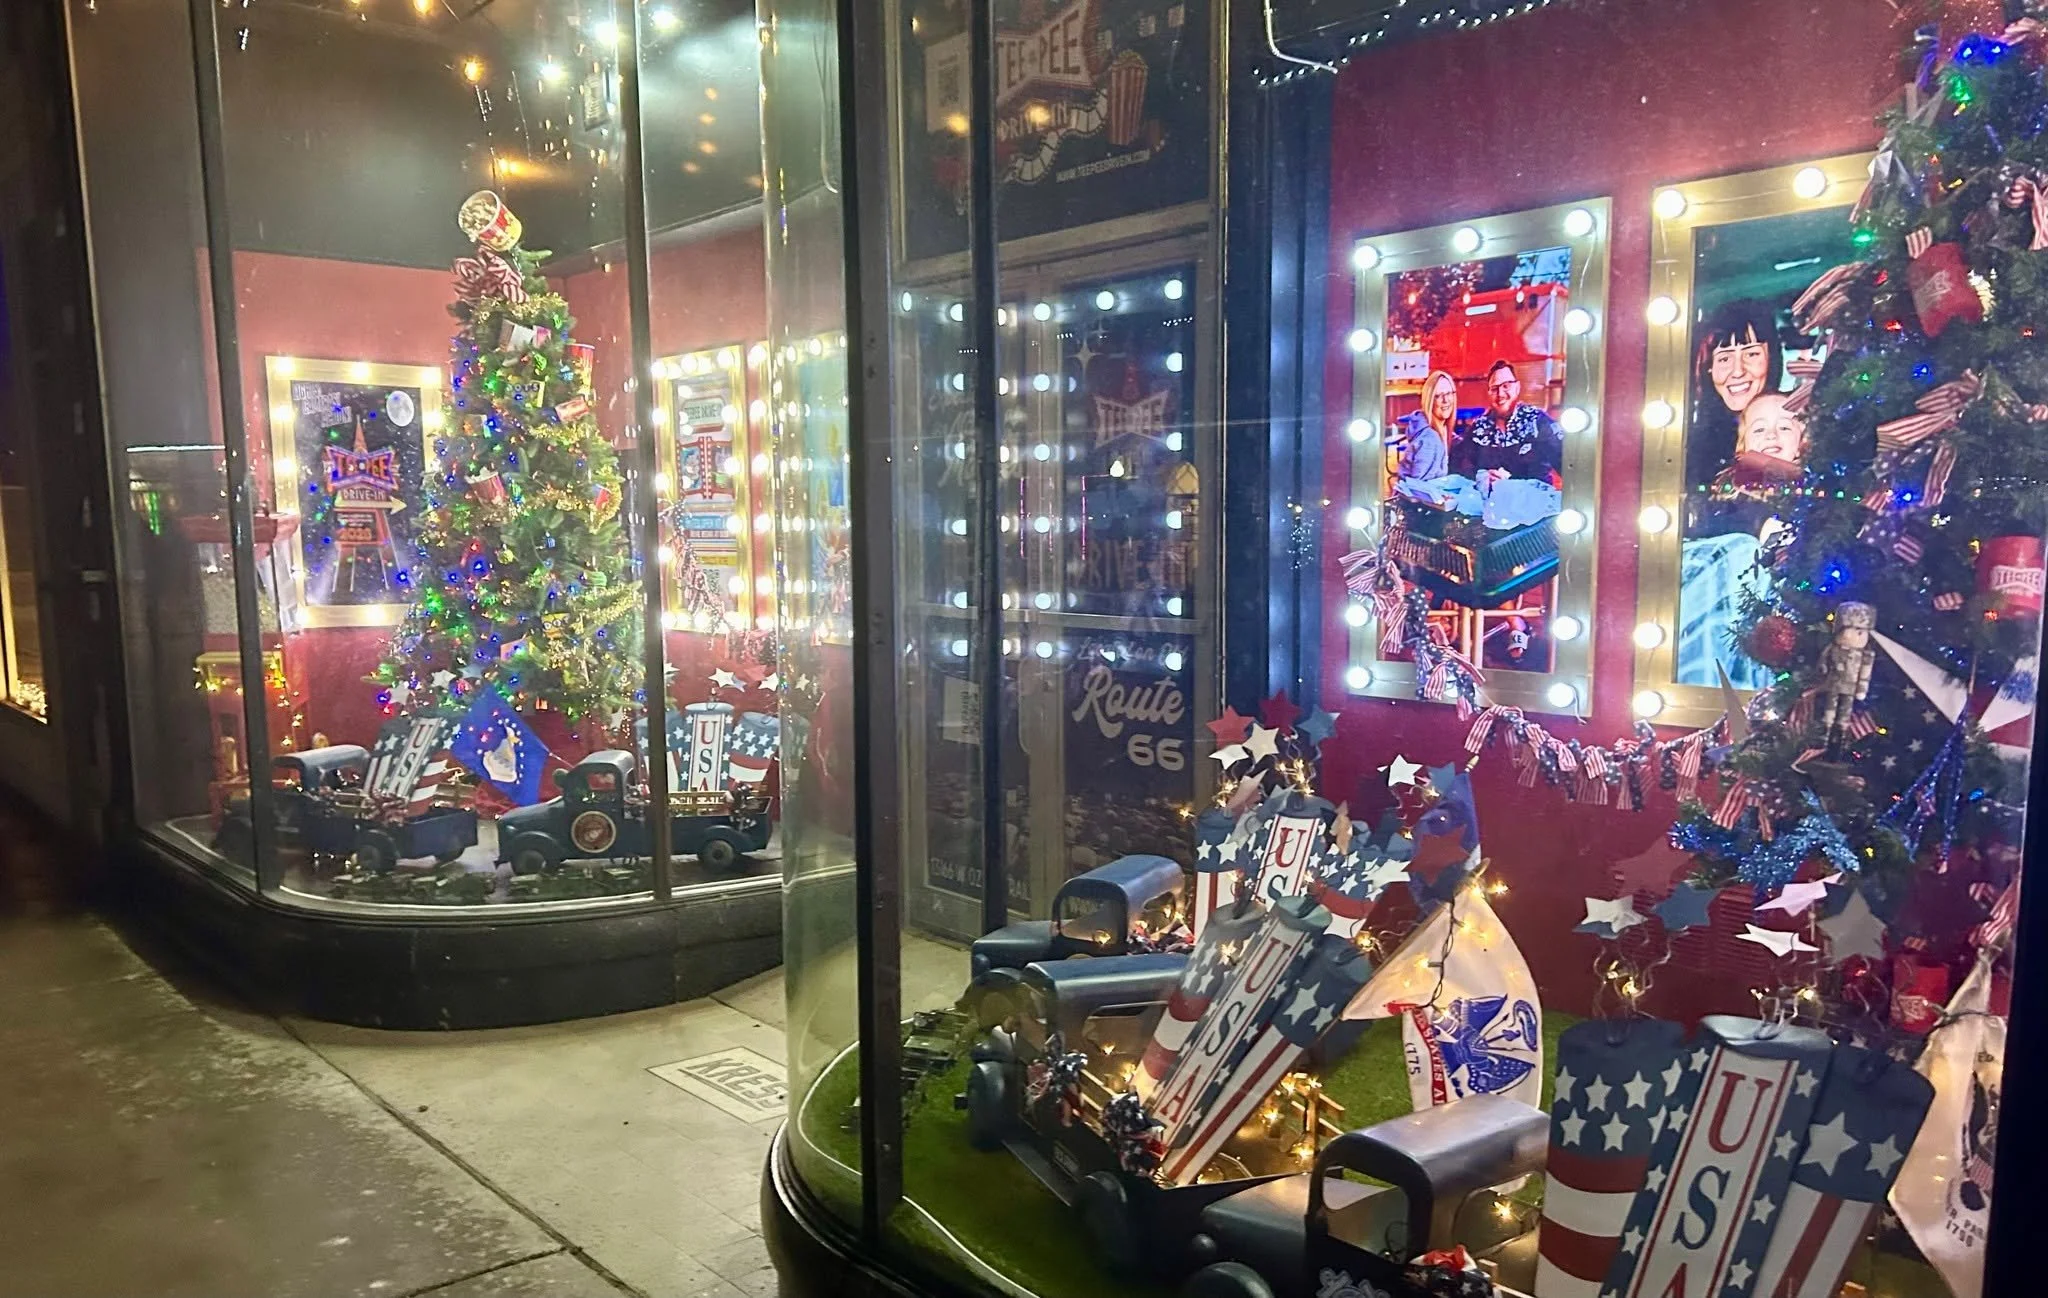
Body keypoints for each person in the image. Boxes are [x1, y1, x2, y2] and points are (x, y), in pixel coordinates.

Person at [1685, 299, 1786, 492]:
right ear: (1709, 367)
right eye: (1724, 358)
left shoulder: (1796, 428)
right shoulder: (1694, 447)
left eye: (1751, 354)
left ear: (1772, 359)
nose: (1738, 371)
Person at [1453, 359, 1562, 487]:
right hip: (1492, 499)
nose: (1500, 394)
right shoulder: (1478, 428)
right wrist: (1481, 477)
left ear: (1517, 387)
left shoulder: (1538, 422)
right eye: (1494, 389)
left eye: (1506, 386)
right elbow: (1460, 468)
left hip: (1535, 498)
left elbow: (1568, 464)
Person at [1389, 368, 1456, 482]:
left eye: (1449, 393)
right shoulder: (1430, 440)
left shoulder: (1441, 429)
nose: (1445, 400)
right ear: (1429, 400)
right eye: (1437, 395)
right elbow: (1420, 487)